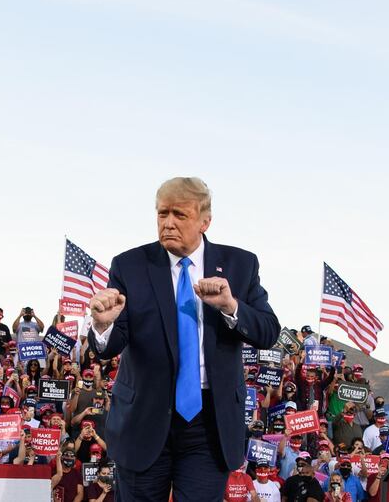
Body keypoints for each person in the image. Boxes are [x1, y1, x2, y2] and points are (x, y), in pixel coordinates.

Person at [87, 177, 280, 500]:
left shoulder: (240, 264)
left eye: (180, 215)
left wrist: (232, 307)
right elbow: (112, 344)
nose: (169, 223)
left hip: (209, 424)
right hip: (144, 419)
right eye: (162, 214)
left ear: (205, 221)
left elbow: (268, 331)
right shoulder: (130, 265)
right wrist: (103, 325)